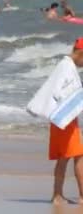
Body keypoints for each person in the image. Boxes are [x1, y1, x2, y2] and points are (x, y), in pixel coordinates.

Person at [43, 38, 83, 205]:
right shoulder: (66, 66)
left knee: (67, 156)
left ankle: (57, 194)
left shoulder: (67, 65)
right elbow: (58, 92)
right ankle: (76, 196)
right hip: (63, 118)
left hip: (64, 118)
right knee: (76, 156)